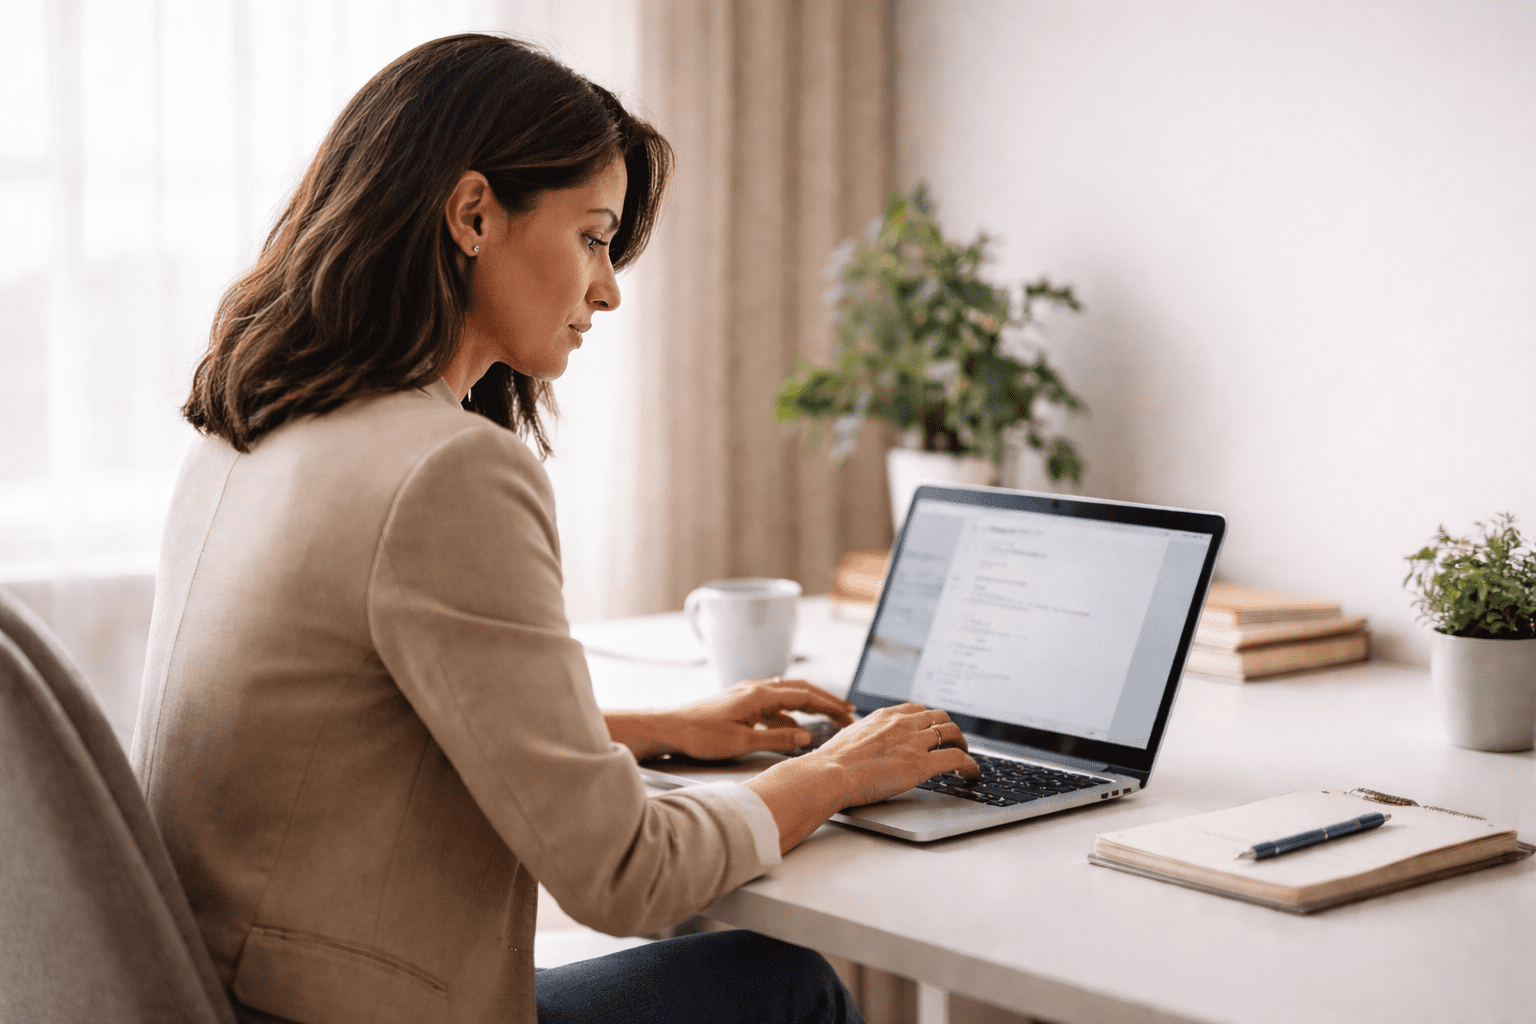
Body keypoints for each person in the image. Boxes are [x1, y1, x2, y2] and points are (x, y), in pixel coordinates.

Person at [134, 33, 978, 1024]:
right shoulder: (444, 469)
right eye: (591, 236)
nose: (610, 286)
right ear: (475, 213)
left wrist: (663, 730)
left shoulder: (249, 427)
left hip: (230, 996)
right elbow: (624, 874)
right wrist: (834, 772)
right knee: (781, 983)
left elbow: (360, 725)